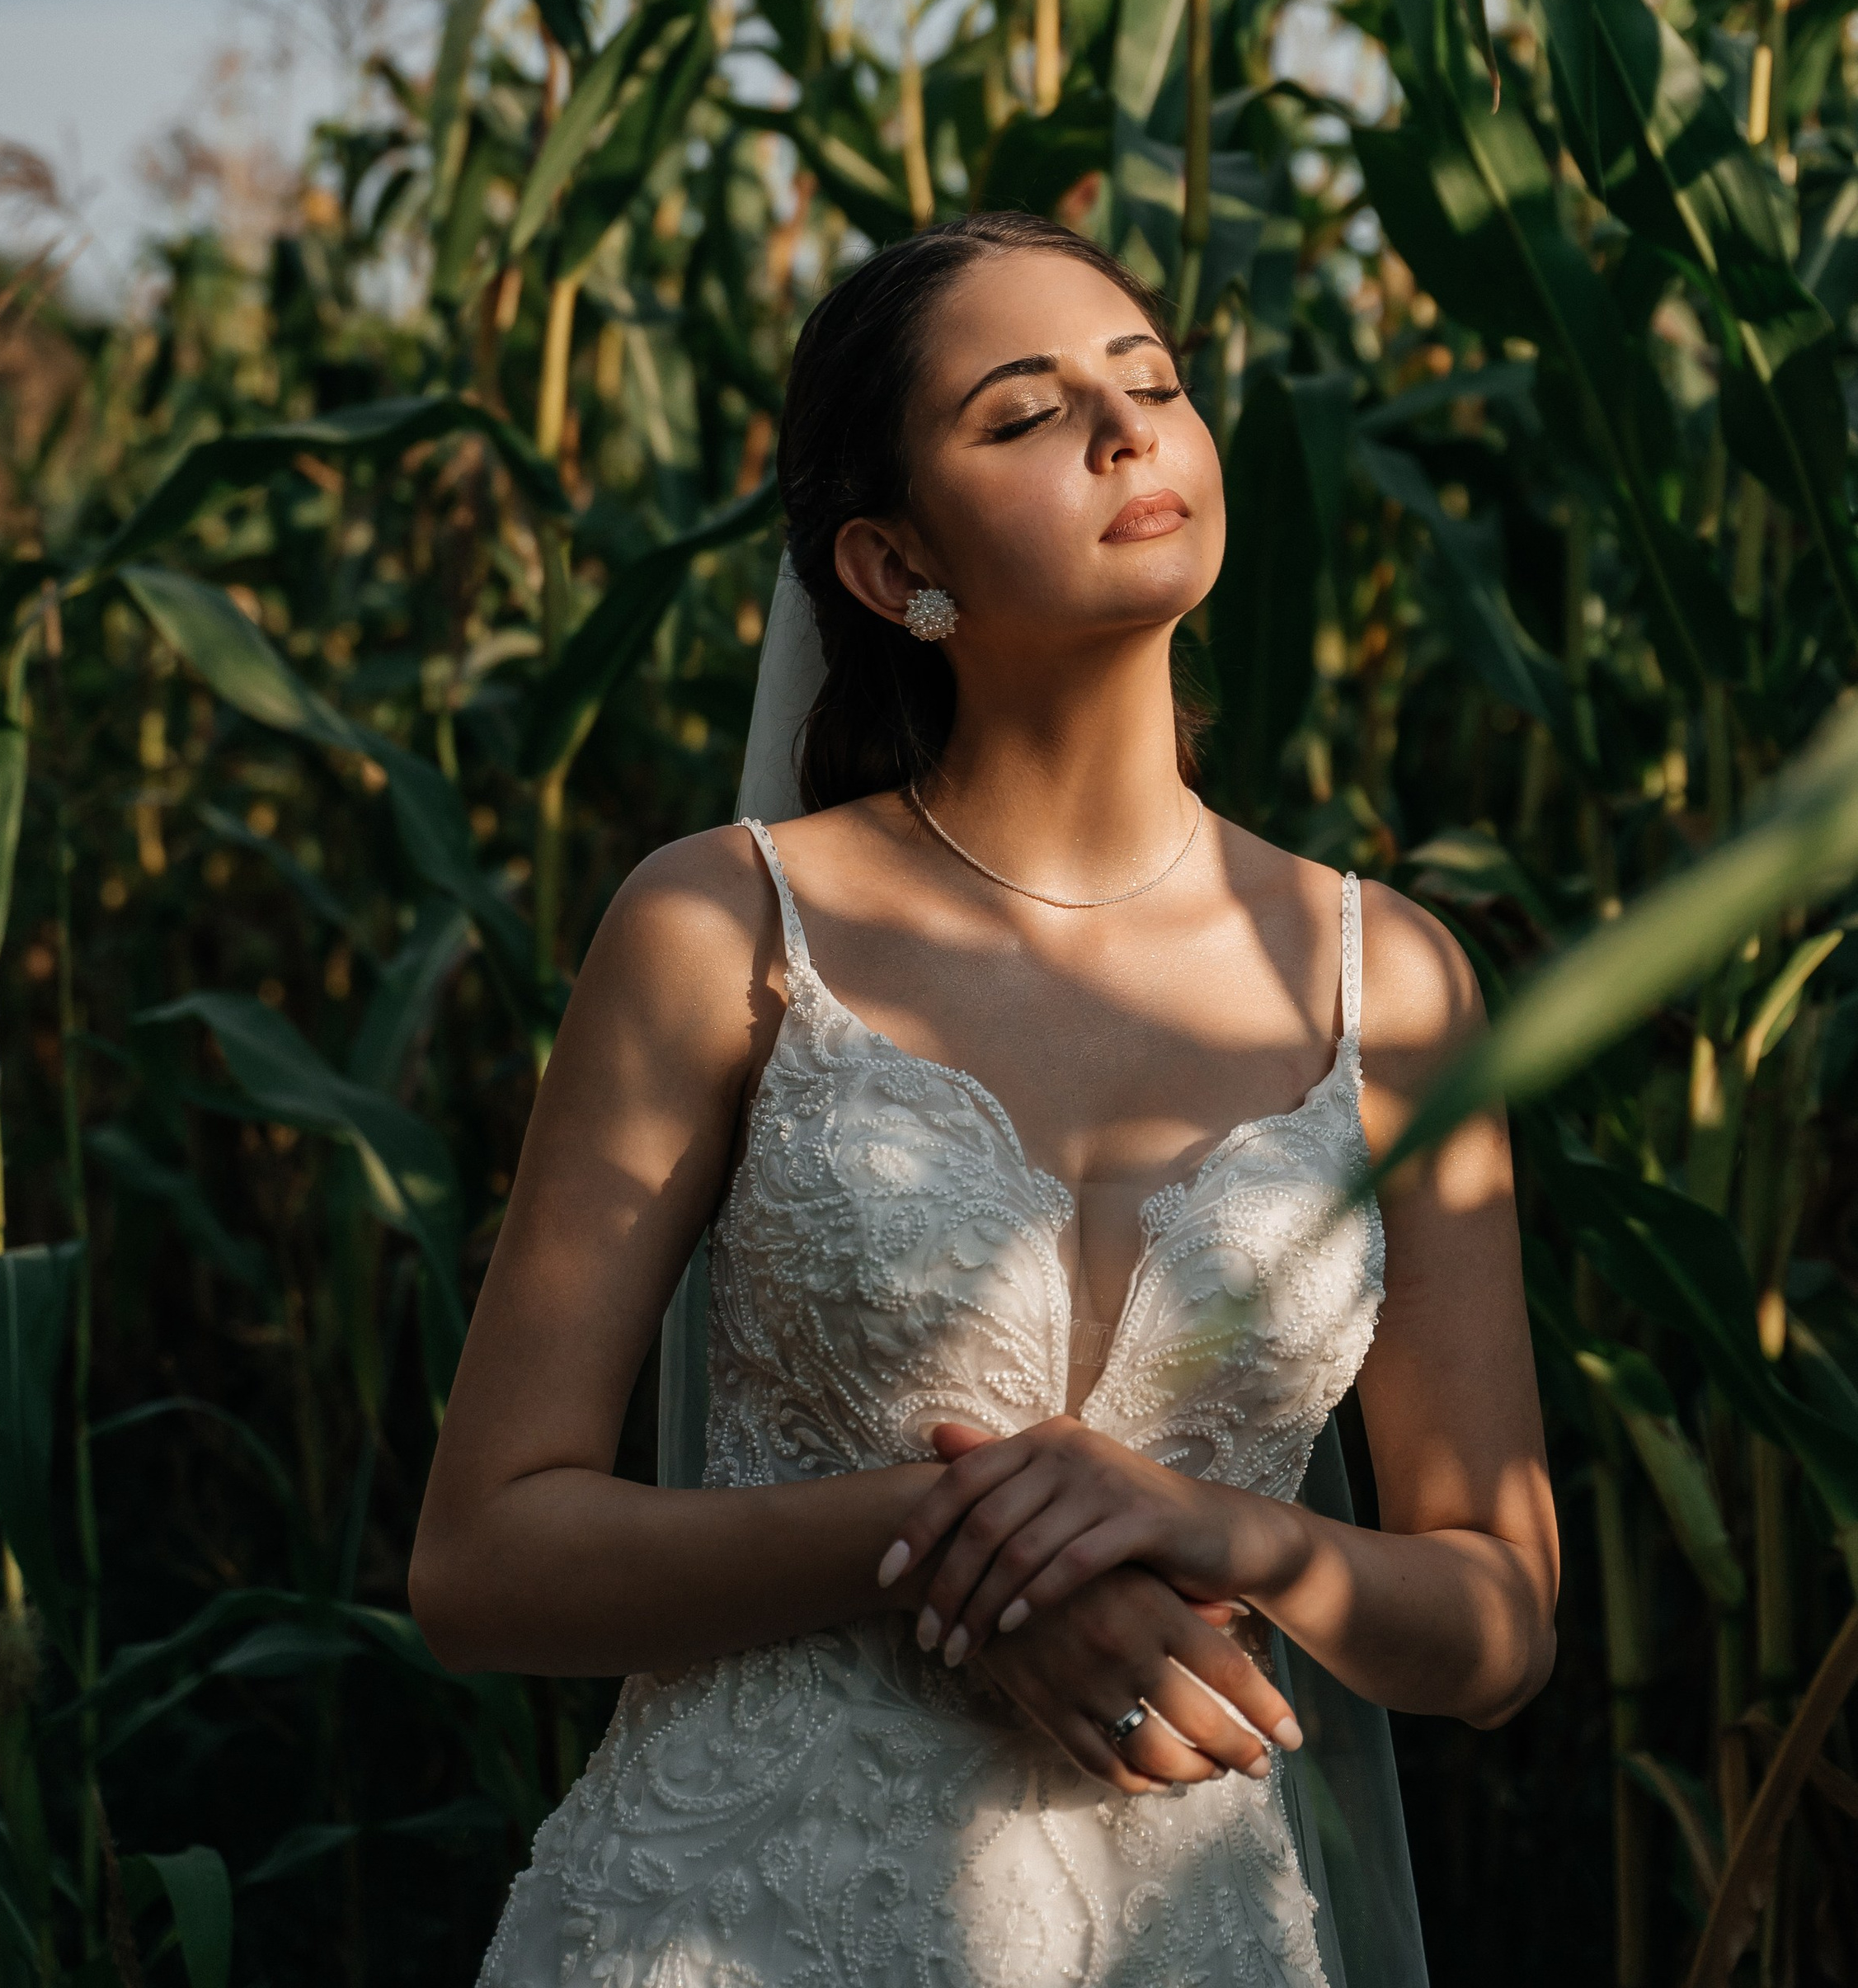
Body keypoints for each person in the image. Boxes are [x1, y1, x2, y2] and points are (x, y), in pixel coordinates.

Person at [410, 211, 1558, 1988]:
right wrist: (964, 1555)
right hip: (733, 1922)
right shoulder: (724, 925)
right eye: (1021, 415)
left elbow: (1493, 1620)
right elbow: (484, 1559)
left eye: (1149, 384)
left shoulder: (1380, 977)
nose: (1121, 432)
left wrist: (1215, 1526)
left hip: (1182, 1937)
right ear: (888, 568)